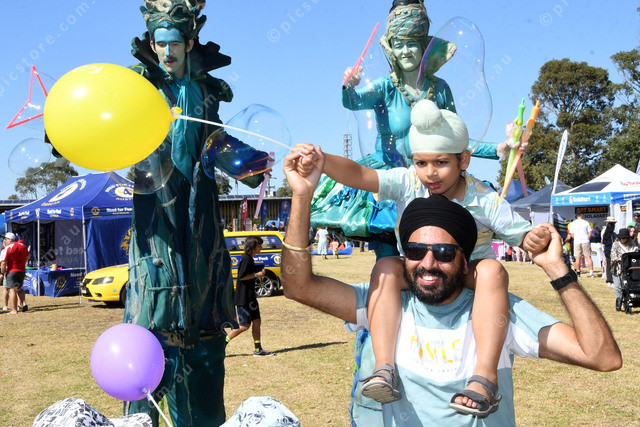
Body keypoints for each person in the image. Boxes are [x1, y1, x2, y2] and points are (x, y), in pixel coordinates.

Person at [281, 153, 621, 425]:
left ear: (466, 261)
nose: (428, 263)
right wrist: (302, 195)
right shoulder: (386, 303)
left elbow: (601, 357)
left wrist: (558, 270)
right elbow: (298, 287)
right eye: (415, 251)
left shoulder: (496, 312)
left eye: (444, 253)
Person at [293, 99, 546, 414]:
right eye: (421, 163)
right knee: (387, 265)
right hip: (416, 269)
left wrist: (534, 237)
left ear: (464, 160)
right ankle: (384, 369)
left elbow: (521, 235)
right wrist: (322, 160)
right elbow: (360, 174)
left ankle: (486, 376)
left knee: (493, 270)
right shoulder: (407, 181)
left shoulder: (484, 198)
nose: (430, 173)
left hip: (466, 272)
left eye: (441, 162)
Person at [122, 2, 269, 424]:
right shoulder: (138, 85)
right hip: (156, 216)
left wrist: (255, 165)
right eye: (159, 43)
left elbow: (215, 142)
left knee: (203, 328)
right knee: (153, 317)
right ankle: (142, 415)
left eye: (174, 43)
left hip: (200, 215)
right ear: (152, 44)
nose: (167, 51)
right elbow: (107, 120)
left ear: (189, 43)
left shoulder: (204, 92)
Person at [310, 0, 530, 257]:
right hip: (392, 178)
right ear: (391, 48)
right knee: (389, 258)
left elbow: (454, 139)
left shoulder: (441, 88)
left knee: (429, 248)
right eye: (398, 44)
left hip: (430, 178)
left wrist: (499, 148)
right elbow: (353, 102)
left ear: (424, 46)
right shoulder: (385, 87)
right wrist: (349, 85)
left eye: (412, 43)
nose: (405, 51)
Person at [225, 236, 274, 357]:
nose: (261, 248)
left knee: (257, 321)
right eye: (259, 246)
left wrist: (258, 269)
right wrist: (256, 274)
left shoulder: (250, 259)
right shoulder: (246, 259)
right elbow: (241, 276)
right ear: (253, 247)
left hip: (251, 297)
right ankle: (222, 343)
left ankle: (258, 349)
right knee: (244, 326)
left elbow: (249, 271)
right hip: (244, 298)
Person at [1, 232, 30, 315]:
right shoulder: (23, 246)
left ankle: (14, 310)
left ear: (10, 239)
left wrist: (2, 272)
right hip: (21, 271)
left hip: (12, 271)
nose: (5, 241)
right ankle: (23, 304)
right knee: (19, 289)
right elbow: (28, 257)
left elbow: (3, 262)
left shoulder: (8, 248)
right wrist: (22, 263)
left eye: (6, 239)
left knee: (12, 290)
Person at [610, 228, 638, 311]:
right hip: (617, 268)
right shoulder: (615, 244)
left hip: (628, 268)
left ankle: (628, 301)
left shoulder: (632, 243)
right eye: (621, 238)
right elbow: (613, 256)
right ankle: (620, 302)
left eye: (624, 238)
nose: (623, 240)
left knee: (627, 286)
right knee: (618, 286)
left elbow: (635, 252)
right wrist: (618, 259)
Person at [567, 213, 594, 277]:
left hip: (577, 241)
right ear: (582, 215)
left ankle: (578, 273)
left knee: (577, 258)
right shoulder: (586, 222)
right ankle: (591, 273)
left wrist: (576, 238)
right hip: (585, 240)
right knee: (588, 257)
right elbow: (590, 234)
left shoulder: (573, 223)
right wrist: (588, 238)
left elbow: (572, 234)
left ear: (577, 215)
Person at [602, 217, 617, 286]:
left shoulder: (605, 234)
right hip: (612, 251)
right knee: (613, 266)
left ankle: (609, 280)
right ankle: (612, 279)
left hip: (607, 251)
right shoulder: (614, 234)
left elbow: (603, 243)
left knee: (608, 265)